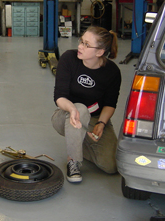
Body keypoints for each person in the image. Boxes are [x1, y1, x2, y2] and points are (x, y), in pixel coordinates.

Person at [51, 26, 121, 183]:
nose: (80, 47)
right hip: (66, 115)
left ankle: (77, 141)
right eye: (81, 41)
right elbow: (59, 96)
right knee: (80, 109)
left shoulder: (112, 72)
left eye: (86, 44)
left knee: (111, 166)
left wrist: (102, 123)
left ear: (99, 52)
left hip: (95, 118)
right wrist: (72, 109)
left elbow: (110, 103)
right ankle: (73, 160)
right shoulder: (69, 59)